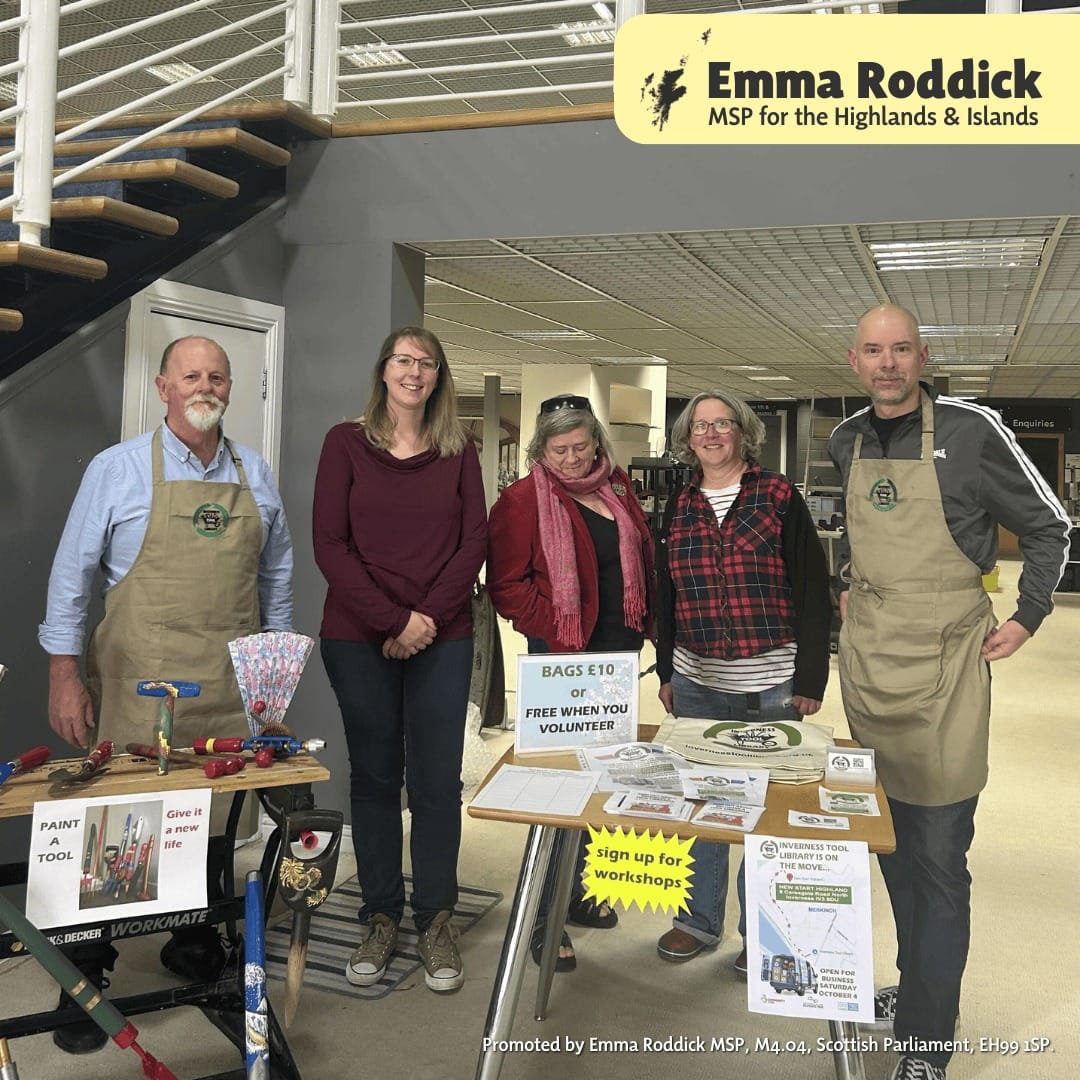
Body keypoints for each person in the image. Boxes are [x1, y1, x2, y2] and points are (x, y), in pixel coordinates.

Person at [828, 305, 1071, 1080]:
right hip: (868, 667)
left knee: (937, 854)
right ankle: (922, 986)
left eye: (902, 349)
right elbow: (861, 539)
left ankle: (929, 1043)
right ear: (855, 360)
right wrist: (844, 585)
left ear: (922, 355)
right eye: (874, 350)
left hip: (945, 672)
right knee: (889, 848)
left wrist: (1029, 615)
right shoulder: (845, 440)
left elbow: (1051, 525)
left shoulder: (972, 430)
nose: (889, 363)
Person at [38, 334, 293, 1051]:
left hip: (225, 682)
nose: (204, 385)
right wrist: (64, 673)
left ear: (230, 388)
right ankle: (88, 964)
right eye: (190, 375)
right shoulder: (117, 470)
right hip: (135, 679)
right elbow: (70, 578)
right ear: (163, 387)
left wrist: (272, 684)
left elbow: (276, 582)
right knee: (120, 825)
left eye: (216, 375)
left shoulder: (256, 472)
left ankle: (193, 935)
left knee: (212, 819)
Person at [313, 326, 486, 995]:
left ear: (439, 377)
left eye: (428, 364)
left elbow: (474, 539)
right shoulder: (344, 443)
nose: (415, 373)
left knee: (438, 783)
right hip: (360, 637)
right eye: (404, 361)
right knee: (377, 779)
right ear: (383, 370)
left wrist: (423, 623)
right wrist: (393, 621)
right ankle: (379, 915)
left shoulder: (458, 448)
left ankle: (435, 917)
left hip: (441, 636)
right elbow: (331, 543)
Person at [654, 390, 831, 975]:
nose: (710, 434)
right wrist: (666, 670)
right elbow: (667, 593)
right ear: (687, 438)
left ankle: (763, 934)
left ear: (741, 432)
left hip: (773, 679)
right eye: (700, 426)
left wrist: (811, 674)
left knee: (769, 810)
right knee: (703, 803)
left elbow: (811, 584)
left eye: (721, 424)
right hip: (698, 677)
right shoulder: (679, 504)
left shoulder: (777, 494)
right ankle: (695, 921)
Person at [487, 394, 655, 970]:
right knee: (556, 791)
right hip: (561, 662)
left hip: (616, 660)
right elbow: (506, 585)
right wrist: (557, 632)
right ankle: (542, 919)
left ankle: (580, 894)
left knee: (603, 783)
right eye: (559, 449)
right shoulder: (520, 501)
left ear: (597, 442)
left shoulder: (620, 487)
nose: (571, 459)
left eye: (581, 445)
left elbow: (639, 561)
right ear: (541, 449)